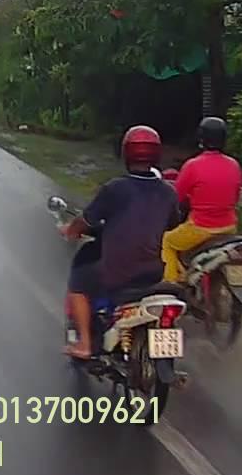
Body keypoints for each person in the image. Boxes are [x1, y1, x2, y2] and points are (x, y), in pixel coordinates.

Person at [60, 125, 182, 359]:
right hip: (153, 273)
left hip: (118, 272)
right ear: (157, 154)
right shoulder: (168, 192)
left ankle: (84, 344)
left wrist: (71, 230)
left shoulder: (114, 188)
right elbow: (173, 223)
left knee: (78, 283)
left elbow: (86, 220)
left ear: (126, 153)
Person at [160, 116, 242, 283]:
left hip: (201, 228)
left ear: (201, 139)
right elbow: (235, 197)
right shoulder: (234, 164)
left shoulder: (193, 165)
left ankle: (171, 284)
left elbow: (175, 197)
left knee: (167, 242)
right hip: (229, 228)